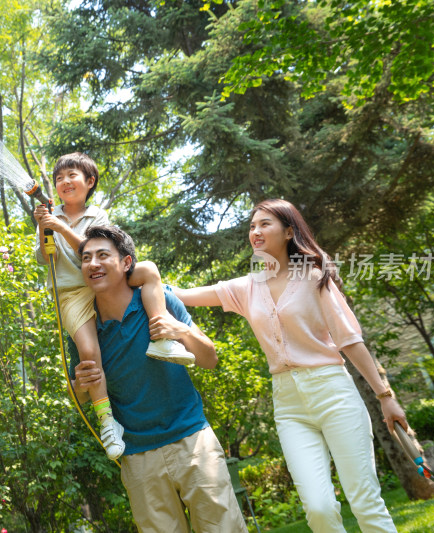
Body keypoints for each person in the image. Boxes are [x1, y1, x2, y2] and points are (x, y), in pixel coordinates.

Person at [173, 199, 407, 533]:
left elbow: (349, 340)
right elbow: (181, 295)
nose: (255, 231)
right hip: (289, 404)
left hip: (332, 392)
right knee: (318, 509)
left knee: (365, 501)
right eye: (252, 226)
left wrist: (385, 395)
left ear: (288, 232)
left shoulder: (314, 277)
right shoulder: (246, 287)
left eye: (265, 224)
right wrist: (141, 276)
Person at [70, 224, 249, 533]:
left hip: (192, 440)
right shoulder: (83, 329)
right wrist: (81, 384)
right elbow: (81, 396)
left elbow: (210, 359)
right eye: (86, 258)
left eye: (102, 255)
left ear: (127, 263)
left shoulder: (160, 300)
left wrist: (180, 331)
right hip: (137, 458)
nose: (93, 264)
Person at [34, 152, 194, 461]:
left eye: (72, 176)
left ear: (89, 182)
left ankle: (163, 339)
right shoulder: (51, 216)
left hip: (106, 279)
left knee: (147, 270)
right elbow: (46, 256)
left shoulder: (98, 216)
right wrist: (45, 226)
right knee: (89, 353)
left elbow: (92, 250)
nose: (65, 182)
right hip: (73, 292)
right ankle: (107, 421)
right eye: (59, 178)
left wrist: (61, 226)